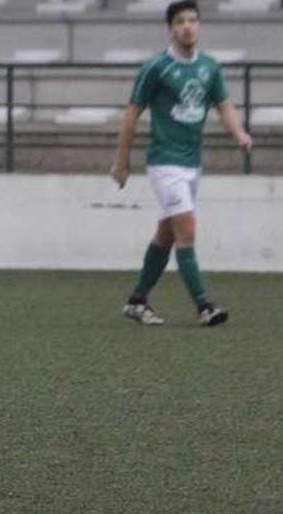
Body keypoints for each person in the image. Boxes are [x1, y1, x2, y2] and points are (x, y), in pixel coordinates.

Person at [111, 0, 251, 327]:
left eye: (192, 20)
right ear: (170, 29)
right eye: (180, 22)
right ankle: (205, 307)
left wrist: (239, 133)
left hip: (192, 164)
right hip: (164, 163)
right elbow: (131, 114)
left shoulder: (209, 68)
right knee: (186, 228)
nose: (187, 26)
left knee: (166, 235)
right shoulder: (156, 68)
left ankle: (136, 301)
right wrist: (122, 162)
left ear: (199, 25)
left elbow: (224, 104)